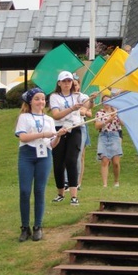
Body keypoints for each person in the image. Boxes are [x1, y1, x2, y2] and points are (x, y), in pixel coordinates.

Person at [14, 88, 66, 242]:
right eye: (37, 99)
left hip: (44, 156)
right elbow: (23, 137)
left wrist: (58, 136)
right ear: (30, 101)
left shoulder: (49, 120)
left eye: (43, 99)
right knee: (24, 190)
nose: (41, 102)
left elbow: (51, 144)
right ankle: (25, 227)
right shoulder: (24, 117)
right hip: (27, 155)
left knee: (39, 190)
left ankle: (38, 226)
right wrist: (43, 134)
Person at [48, 71, 97, 205]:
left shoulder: (78, 95)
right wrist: (71, 109)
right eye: (64, 81)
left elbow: (88, 106)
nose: (67, 83)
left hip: (74, 129)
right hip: (59, 130)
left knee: (72, 160)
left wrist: (91, 99)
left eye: (69, 81)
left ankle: (74, 195)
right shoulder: (54, 97)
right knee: (58, 162)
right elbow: (56, 115)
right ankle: (60, 193)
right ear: (59, 83)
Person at [95, 92, 123, 187]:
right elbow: (97, 126)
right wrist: (107, 121)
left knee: (115, 162)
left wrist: (117, 115)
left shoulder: (116, 112)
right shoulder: (100, 113)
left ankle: (116, 181)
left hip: (115, 135)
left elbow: (122, 124)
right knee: (105, 160)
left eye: (108, 101)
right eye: (104, 101)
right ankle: (105, 184)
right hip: (103, 135)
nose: (106, 103)